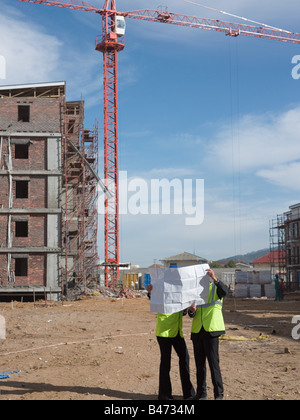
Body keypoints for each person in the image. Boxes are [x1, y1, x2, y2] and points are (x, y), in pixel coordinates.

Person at [147, 264, 195, 401]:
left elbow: (184, 312)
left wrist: (189, 308)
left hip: (177, 332)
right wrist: (149, 293)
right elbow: (154, 299)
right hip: (164, 332)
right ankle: (164, 395)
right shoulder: (161, 287)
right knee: (165, 362)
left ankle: (189, 394)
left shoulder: (181, 290)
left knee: (184, 359)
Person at [188, 268, 227, 400]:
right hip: (197, 331)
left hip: (211, 330)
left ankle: (218, 394)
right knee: (200, 366)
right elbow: (191, 314)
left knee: (213, 364)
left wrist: (215, 278)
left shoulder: (215, 287)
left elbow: (225, 291)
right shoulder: (194, 292)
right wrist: (192, 310)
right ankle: (201, 394)